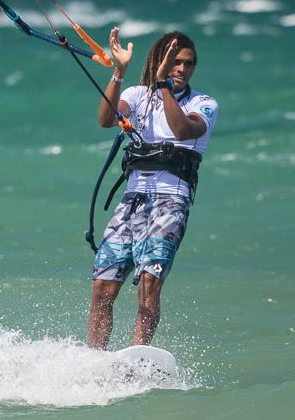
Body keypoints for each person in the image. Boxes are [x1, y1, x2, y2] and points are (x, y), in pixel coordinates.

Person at [87, 27, 219, 349]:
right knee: (103, 287)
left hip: (171, 201)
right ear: (160, 60)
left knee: (149, 285)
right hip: (132, 200)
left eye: (188, 63)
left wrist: (163, 87)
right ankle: (93, 358)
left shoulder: (204, 103)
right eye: (174, 61)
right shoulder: (135, 95)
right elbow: (105, 119)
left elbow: (183, 130)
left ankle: (138, 356)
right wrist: (118, 72)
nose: (181, 69)